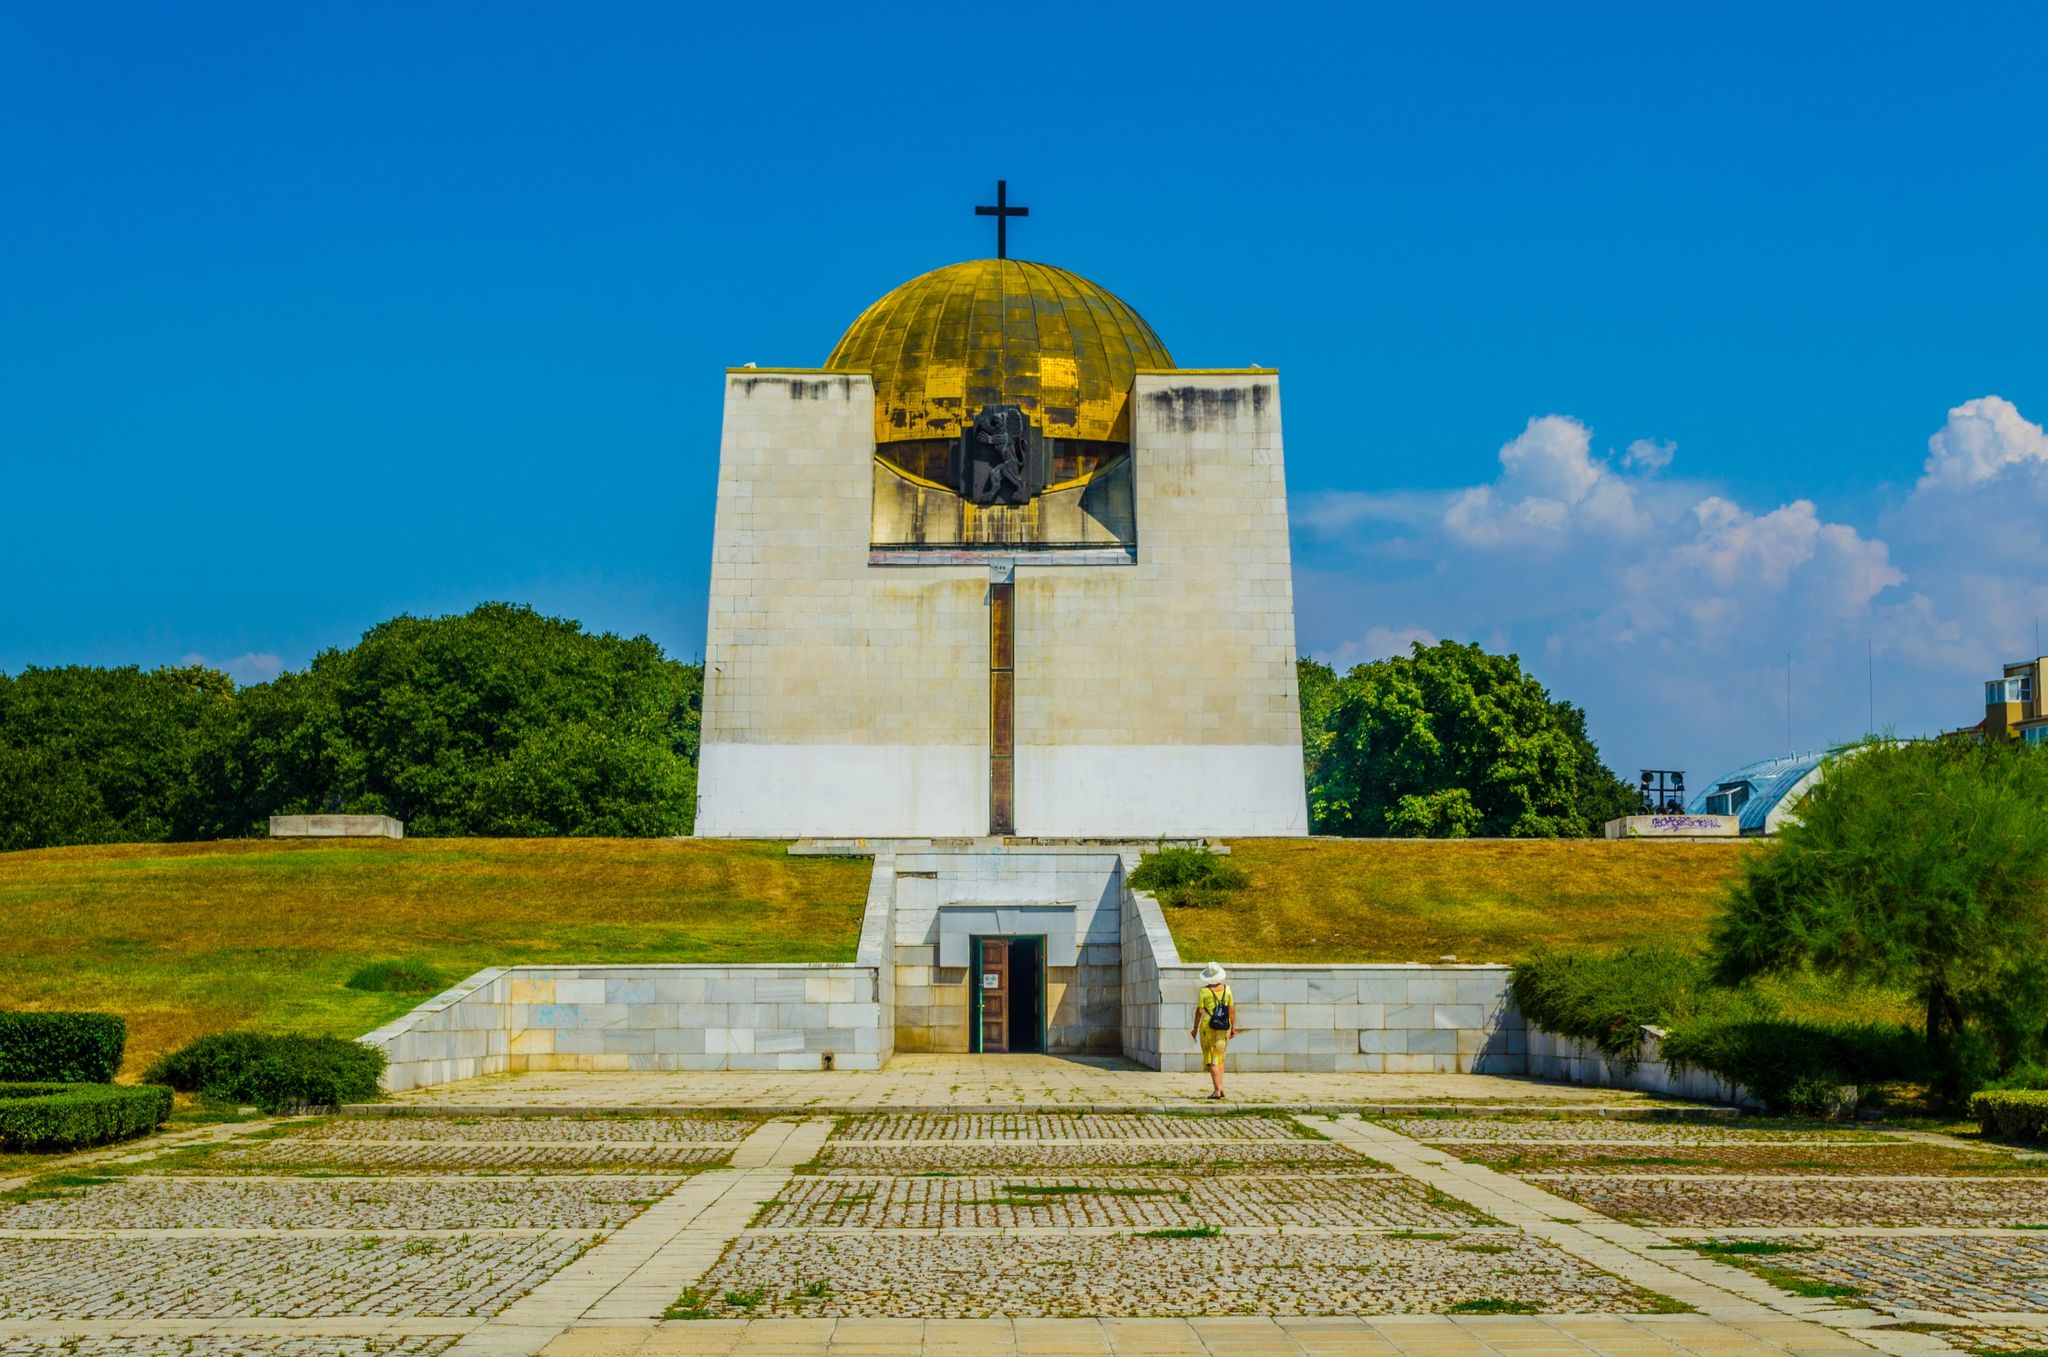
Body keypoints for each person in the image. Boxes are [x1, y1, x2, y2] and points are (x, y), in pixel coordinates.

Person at [1191, 962, 1237, 1099]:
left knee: (1211, 1058)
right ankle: (1220, 1088)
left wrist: (1194, 1028)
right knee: (1220, 1057)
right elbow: (1231, 1010)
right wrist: (1233, 1027)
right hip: (1224, 1026)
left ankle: (1217, 1090)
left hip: (1208, 1026)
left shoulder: (1204, 991)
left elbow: (1200, 1011)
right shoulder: (1227, 989)